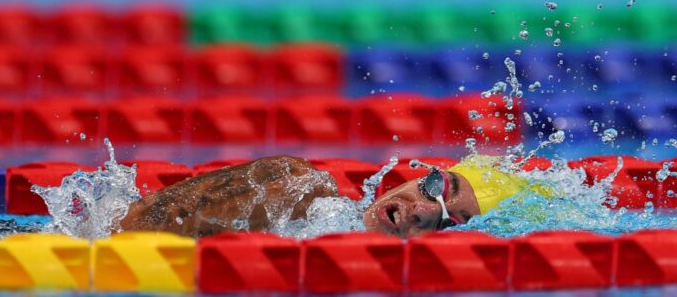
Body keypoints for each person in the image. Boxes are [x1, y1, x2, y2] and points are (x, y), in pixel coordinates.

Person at [120, 154, 544, 238]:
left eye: (449, 221)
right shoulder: (295, 194)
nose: (420, 210)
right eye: (437, 187)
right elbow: (125, 230)